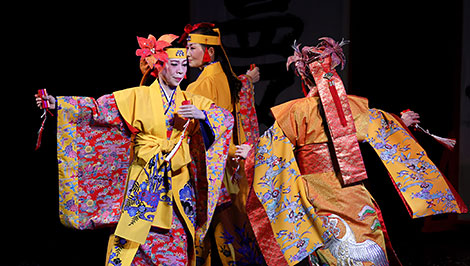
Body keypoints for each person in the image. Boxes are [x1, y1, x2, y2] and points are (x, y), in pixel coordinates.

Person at [237, 37, 467, 266]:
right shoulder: (348, 106)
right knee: (366, 238)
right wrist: (401, 121)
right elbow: (378, 124)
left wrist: (252, 153)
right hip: (351, 190)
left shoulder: (295, 112)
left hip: (315, 193)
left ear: (304, 79)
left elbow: (271, 148)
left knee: (331, 252)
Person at [35, 34, 234, 266]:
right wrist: (58, 103)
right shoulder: (137, 96)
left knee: (177, 246)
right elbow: (98, 109)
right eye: (174, 65)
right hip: (144, 181)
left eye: (184, 65)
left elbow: (225, 119)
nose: (181, 71)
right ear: (158, 66)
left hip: (178, 186)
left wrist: (203, 116)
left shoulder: (191, 100)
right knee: (134, 247)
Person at [180, 22, 264, 265]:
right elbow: (240, 87)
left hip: (212, 167)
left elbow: (202, 132)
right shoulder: (231, 80)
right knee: (237, 235)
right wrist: (249, 79)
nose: (187, 53)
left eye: (192, 47)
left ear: (210, 51)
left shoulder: (200, 86)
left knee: (206, 235)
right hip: (234, 167)